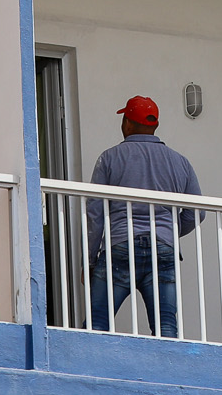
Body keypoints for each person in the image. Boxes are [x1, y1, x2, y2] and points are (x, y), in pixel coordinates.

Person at [86, 95, 201, 338]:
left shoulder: (109, 158)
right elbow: (196, 212)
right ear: (155, 125)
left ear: (127, 123)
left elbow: (95, 212)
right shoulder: (181, 162)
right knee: (166, 327)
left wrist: (90, 259)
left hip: (120, 246)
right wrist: (169, 232)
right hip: (163, 249)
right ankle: (168, 374)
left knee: (96, 325)